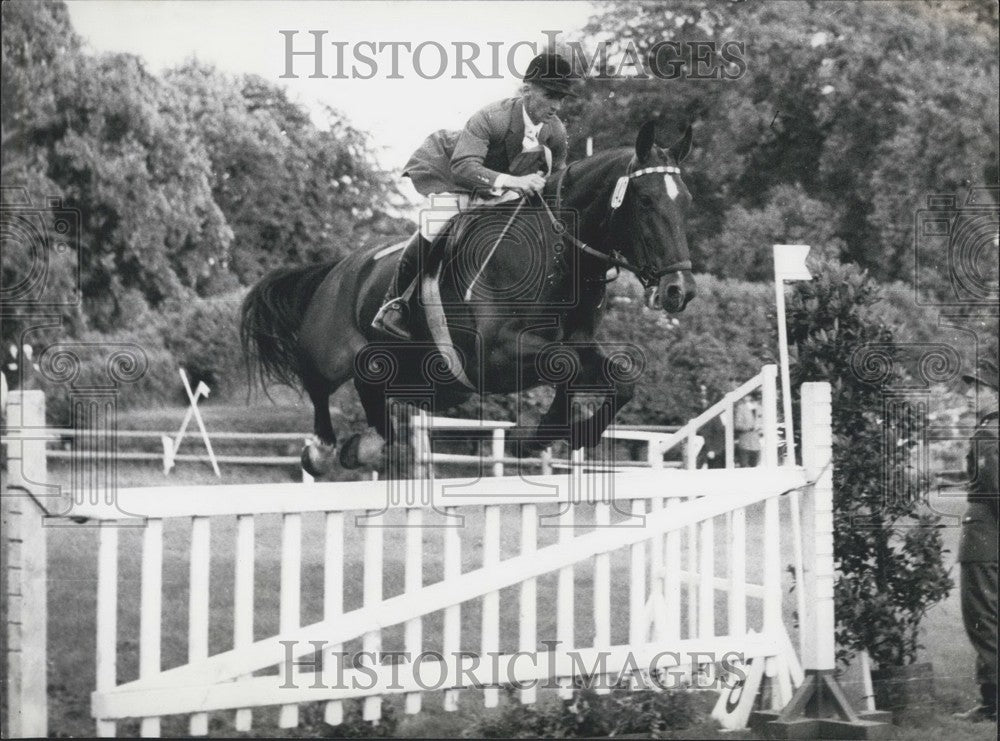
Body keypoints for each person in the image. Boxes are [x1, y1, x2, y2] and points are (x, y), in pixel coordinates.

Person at [371, 51, 576, 339]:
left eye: (561, 98)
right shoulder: (492, 118)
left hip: (500, 192)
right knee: (433, 230)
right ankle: (394, 304)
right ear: (527, 88)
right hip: (456, 181)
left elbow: (558, 180)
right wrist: (515, 182)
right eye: (550, 95)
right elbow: (464, 166)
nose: (556, 105)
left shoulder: (555, 132)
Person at [954, 353, 998, 723]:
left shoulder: (988, 434)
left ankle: (993, 703)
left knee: (983, 621)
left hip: (985, 542)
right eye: (969, 386)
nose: (969, 393)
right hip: (988, 539)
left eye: (978, 387)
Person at [733, 395, 761, 467]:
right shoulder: (741, 408)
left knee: (754, 467)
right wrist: (749, 428)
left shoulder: (760, 407)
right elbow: (737, 425)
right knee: (744, 468)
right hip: (745, 444)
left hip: (757, 444)